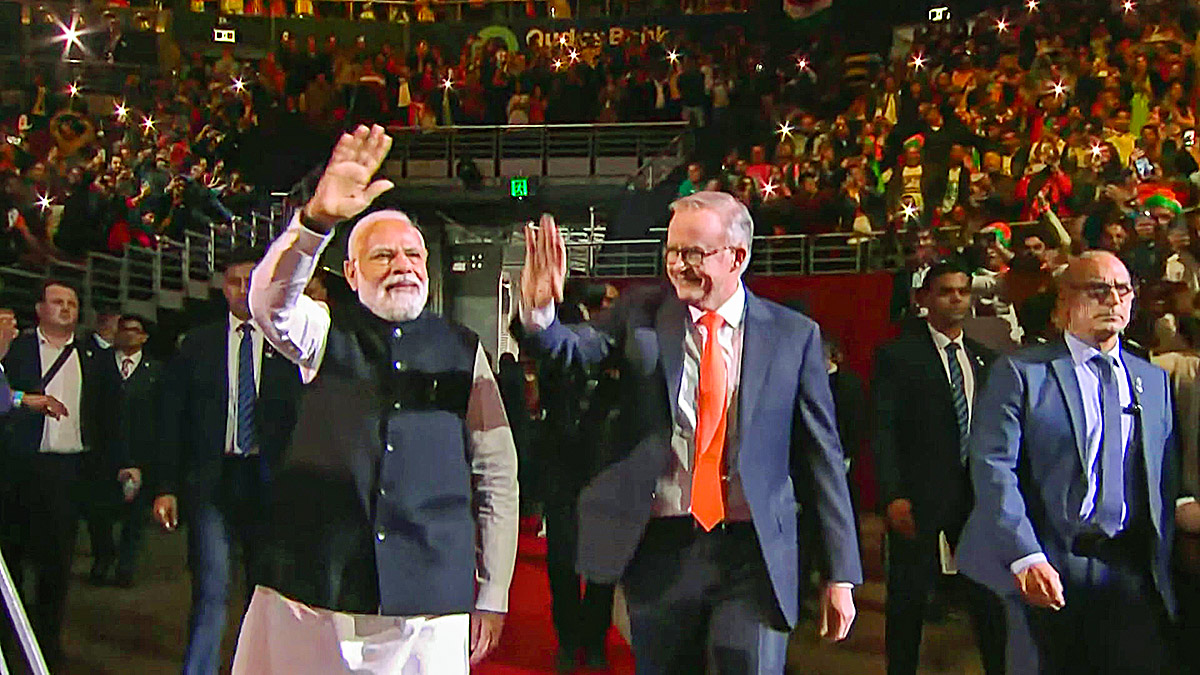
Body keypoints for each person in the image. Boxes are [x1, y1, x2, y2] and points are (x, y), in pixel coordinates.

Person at [519, 189, 862, 672]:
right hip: (662, 546)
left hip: (754, 552)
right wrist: (540, 315)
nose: (677, 264)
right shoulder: (641, 313)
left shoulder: (793, 336)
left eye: (692, 253)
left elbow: (822, 456)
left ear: (736, 257)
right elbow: (575, 348)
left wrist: (841, 572)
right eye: (672, 251)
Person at [234, 124, 519, 674]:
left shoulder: (462, 349)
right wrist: (315, 222)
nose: (402, 266)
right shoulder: (322, 331)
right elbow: (269, 304)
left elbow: (496, 472)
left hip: (430, 598)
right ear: (350, 271)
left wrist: (495, 590)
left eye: (412, 254)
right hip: (318, 589)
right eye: (382, 256)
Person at [958, 251, 1190, 673]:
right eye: (1098, 290)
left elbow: (1163, 474)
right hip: (1046, 558)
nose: (1113, 300)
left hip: (1125, 564)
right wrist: (1026, 555)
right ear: (1064, 304)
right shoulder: (1021, 372)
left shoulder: (1152, 380)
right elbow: (993, 469)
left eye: (1122, 290)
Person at [153, 248, 303, 675]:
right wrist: (166, 486)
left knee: (268, 590)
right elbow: (171, 420)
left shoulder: (287, 343)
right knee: (212, 588)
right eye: (235, 281)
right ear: (223, 287)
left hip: (270, 482)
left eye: (252, 281)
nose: (243, 290)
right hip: (211, 482)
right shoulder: (197, 345)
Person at [871, 262, 1006, 675]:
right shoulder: (898, 356)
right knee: (908, 601)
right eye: (946, 291)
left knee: (988, 599)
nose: (956, 299)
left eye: (963, 291)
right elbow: (883, 430)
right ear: (924, 299)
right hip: (918, 497)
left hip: (976, 498)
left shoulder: (986, 359)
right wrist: (893, 494)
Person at [0, 282, 120, 667]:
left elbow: (108, 416)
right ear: (39, 308)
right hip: (18, 468)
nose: (66, 308)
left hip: (68, 472)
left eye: (72, 303)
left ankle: (46, 643)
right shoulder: (15, 351)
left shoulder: (94, 356)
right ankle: (10, 642)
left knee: (56, 564)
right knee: (13, 558)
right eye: (57, 302)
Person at [106, 314, 162, 587]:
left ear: (144, 337)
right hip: (105, 453)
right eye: (124, 329)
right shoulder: (100, 366)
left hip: (144, 455)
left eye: (135, 331)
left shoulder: (157, 372)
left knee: (135, 520)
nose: (129, 334)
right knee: (101, 514)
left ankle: (126, 567)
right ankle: (103, 559)